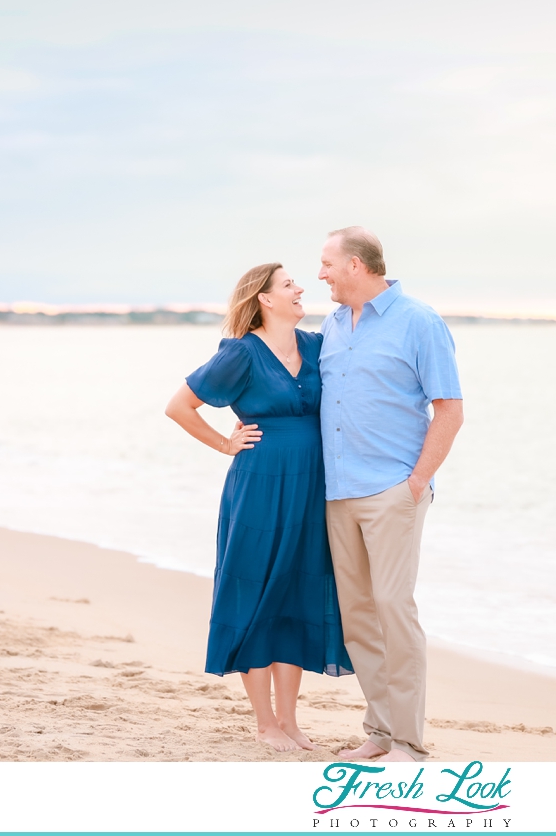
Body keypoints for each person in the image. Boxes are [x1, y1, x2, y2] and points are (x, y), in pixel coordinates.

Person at [165, 263, 352, 753]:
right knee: (257, 595)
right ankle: (265, 723)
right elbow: (179, 407)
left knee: (295, 595)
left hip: (312, 487)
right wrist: (225, 444)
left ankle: (290, 722)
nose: (300, 289)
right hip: (260, 487)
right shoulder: (242, 353)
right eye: (289, 285)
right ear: (265, 299)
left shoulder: (315, 346)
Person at [317, 227, 464, 762]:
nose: (321, 274)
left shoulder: (419, 321)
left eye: (327, 263)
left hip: (392, 490)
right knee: (357, 613)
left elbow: (449, 409)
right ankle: (380, 729)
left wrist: (416, 483)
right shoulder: (332, 325)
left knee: (393, 608)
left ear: (356, 265)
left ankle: (408, 739)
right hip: (339, 492)